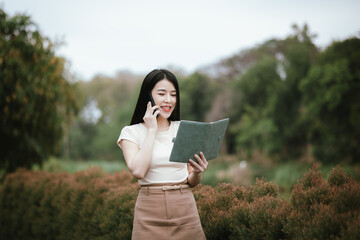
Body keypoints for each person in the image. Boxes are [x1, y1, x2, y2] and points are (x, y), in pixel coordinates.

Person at [117, 69, 207, 239]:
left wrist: (197, 172)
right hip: (149, 209)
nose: (168, 100)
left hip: (184, 208)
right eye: (161, 93)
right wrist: (151, 130)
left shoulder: (183, 129)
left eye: (173, 94)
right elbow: (138, 171)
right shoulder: (131, 133)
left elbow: (192, 182)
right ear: (148, 96)